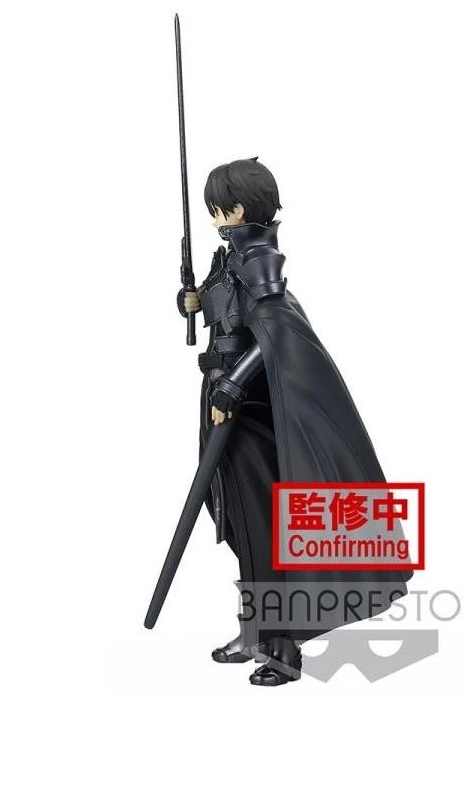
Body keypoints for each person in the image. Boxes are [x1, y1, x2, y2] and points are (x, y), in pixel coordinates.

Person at [177, 157, 411, 686]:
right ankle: (255, 633)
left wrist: (233, 385)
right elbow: (228, 319)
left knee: (264, 528)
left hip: (246, 408)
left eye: (221, 206)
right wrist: (192, 301)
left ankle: (282, 650)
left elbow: (275, 329)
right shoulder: (229, 257)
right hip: (223, 399)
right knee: (245, 529)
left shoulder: (258, 256)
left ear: (241, 207)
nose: (215, 215)